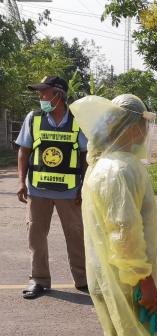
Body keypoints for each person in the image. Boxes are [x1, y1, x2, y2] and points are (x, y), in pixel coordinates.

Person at [70, 94, 157, 336]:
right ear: (129, 127)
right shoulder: (119, 169)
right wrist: (144, 281)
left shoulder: (101, 166)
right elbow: (123, 232)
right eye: (143, 124)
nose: (145, 131)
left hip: (111, 277)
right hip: (127, 282)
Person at [15, 76, 88, 299]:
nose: (41, 97)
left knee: (76, 235)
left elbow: (86, 155)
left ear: (59, 94)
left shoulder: (78, 121)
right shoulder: (33, 118)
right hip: (38, 189)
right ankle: (38, 279)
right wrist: (20, 181)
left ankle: (84, 280)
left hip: (70, 191)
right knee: (35, 235)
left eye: (44, 92)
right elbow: (24, 151)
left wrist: (84, 186)